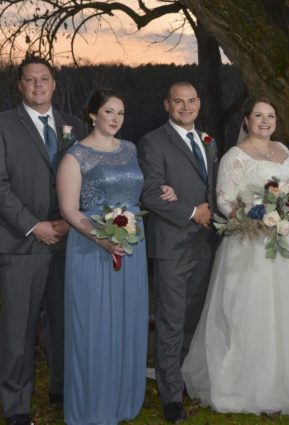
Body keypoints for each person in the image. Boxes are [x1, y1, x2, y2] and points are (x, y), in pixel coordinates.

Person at [182, 96, 289, 414]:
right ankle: (247, 382)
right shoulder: (235, 156)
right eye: (258, 115)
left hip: (288, 240)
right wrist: (252, 219)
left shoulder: (284, 150)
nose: (265, 121)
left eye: (270, 115)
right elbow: (225, 200)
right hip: (250, 242)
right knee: (250, 310)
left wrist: (287, 214)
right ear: (246, 121)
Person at [57, 89, 175, 424]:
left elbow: (137, 191)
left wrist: (163, 191)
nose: (115, 119)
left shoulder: (129, 149)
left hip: (131, 247)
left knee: (128, 322)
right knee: (93, 325)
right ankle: (92, 407)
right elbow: (68, 209)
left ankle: (123, 399)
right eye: (108, 112)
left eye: (120, 113)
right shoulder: (75, 156)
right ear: (92, 114)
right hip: (92, 249)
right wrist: (103, 240)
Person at [0, 56, 86, 425]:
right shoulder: (3, 125)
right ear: (20, 86)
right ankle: (17, 406)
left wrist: (71, 221)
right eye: (30, 80)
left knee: (66, 323)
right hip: (21, 244)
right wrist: (36, 226)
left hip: (69, 242)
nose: (38, 85)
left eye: (44, 79)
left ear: (54, 83)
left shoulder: (75, 126)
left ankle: (62, 389)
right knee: (18, 329)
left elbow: (88, 180)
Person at [138, 81, 218, 423]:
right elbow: (151, 194)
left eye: (191, 101)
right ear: (167, 105)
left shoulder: (209, 142)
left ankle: (183, 377)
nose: (185, 107)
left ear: (198, 103)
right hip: (172, 245)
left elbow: (214, 187)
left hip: (206, 244)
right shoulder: (153, 141)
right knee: (170, 322)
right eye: (178, 102)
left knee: (192, 319)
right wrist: (191, 211)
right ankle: (171, 397)